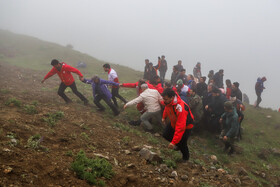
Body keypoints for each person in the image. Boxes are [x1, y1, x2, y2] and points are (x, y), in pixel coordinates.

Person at [161, 88, 194, 162]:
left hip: (186, 126)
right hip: (174, 122)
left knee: (182, 142)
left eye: (165, 99)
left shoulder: (180, 108)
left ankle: (185, 158)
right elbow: (167, 108)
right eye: (164, 99)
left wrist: (173, 142)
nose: (164, 101)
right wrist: (164, 117)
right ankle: (177, 144)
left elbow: (181, 127)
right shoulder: (169, 102)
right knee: (165, 134)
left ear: (172, 97)